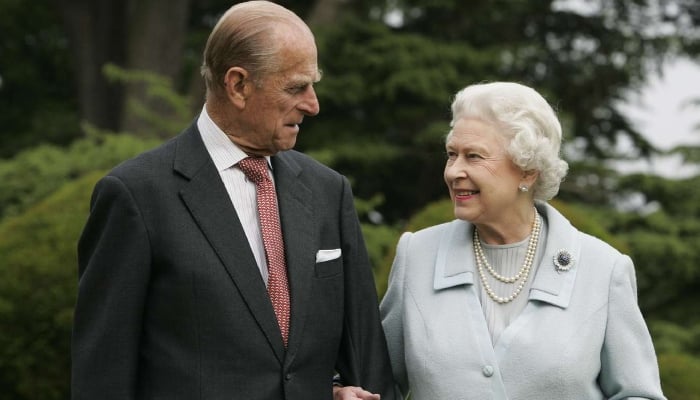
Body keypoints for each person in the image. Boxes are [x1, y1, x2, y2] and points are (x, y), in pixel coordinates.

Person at [71, 2, 395, 399]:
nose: (313, 104)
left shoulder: (328, 191)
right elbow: (102, 377)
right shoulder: (135, 196)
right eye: (296, 87)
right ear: (238, 85)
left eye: (313, 85)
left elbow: (366, 360)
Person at [379, 81, 666, 399]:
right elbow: (376, 382)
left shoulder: (603, 269)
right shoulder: (417, 255)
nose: (453, 171)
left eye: (474, 156)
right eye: (451, 154)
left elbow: (638, 393)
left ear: (528, 171)